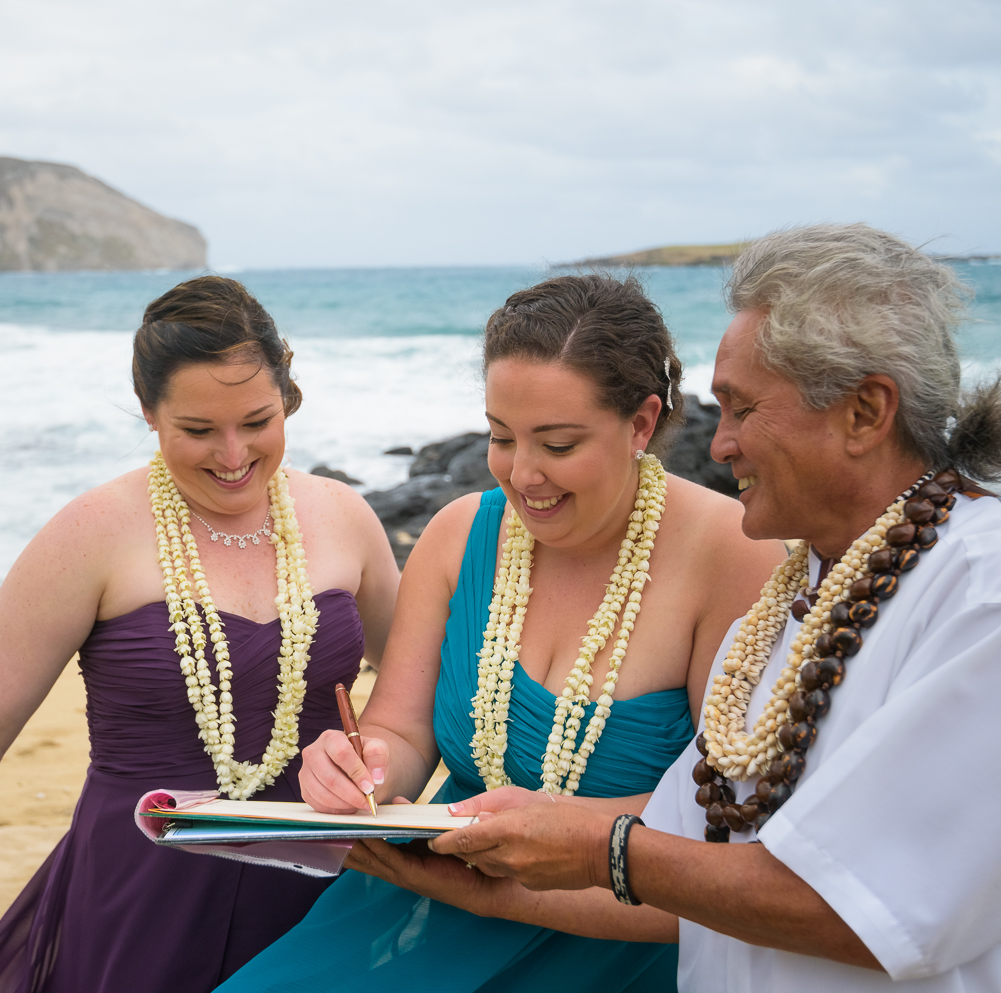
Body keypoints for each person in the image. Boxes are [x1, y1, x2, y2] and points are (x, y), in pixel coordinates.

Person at [417, 223, 1001, 991]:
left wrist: (599, 850)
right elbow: (692, 858)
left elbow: (855, 906)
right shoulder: (799, 598)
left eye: (743, 410)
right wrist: (458, 878)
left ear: (866, 411)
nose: (719, 447)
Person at [217, 274, 788, 993]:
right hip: (430, 906)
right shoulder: (459, 534)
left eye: (557, 442)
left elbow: (731, 821)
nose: (522, 475)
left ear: (642, 423)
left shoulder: (732, 555)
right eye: (499, 436)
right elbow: (399, 729)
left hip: (618, 937)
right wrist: (358, 772)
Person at [0, 275, 399, 993]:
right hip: (140, 893)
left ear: (288, 398)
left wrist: (386, 776)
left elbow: (417, 693)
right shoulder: (90, 536)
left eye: (257, 419)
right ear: (149, 413)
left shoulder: (344, 517)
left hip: (318, 892)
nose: (234, 453)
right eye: (198, 429)